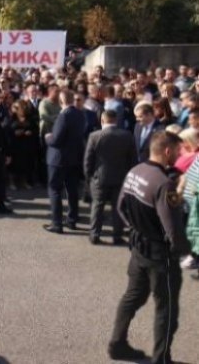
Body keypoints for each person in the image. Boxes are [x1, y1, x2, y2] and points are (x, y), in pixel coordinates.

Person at [108, 131, 189, 363]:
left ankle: (117, 344)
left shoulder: (135, 171)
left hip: (138, 249)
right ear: (166, 151)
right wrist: (184, 252)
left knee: (132, 297)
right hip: (160, 256)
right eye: (176, 150)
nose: (178, 154)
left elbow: (121, 206)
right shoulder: (164, 184)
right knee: (167, 309)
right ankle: (161, 359)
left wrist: (135, 228)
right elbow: (173, 228)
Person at [84, 110, 137, 245]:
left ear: (102, 120)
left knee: (97, 206)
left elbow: (88, 160)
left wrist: (89, 176)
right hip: (120, 177)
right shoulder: (127, 135)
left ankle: (94, 234)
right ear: (116, 120)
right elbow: (133, 159)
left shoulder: (94, 136)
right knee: (117, 207)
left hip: (99, 177)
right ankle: (117, 236)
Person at [43, 89, 86, 234]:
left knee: (55, 189)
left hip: (59, 158)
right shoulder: (80, 114)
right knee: (72, 189)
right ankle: (72, 219)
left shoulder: (64, 115)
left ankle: (57, 223)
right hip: (74, 157)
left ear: (61, 101)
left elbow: (56, 139)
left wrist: (48, 137)